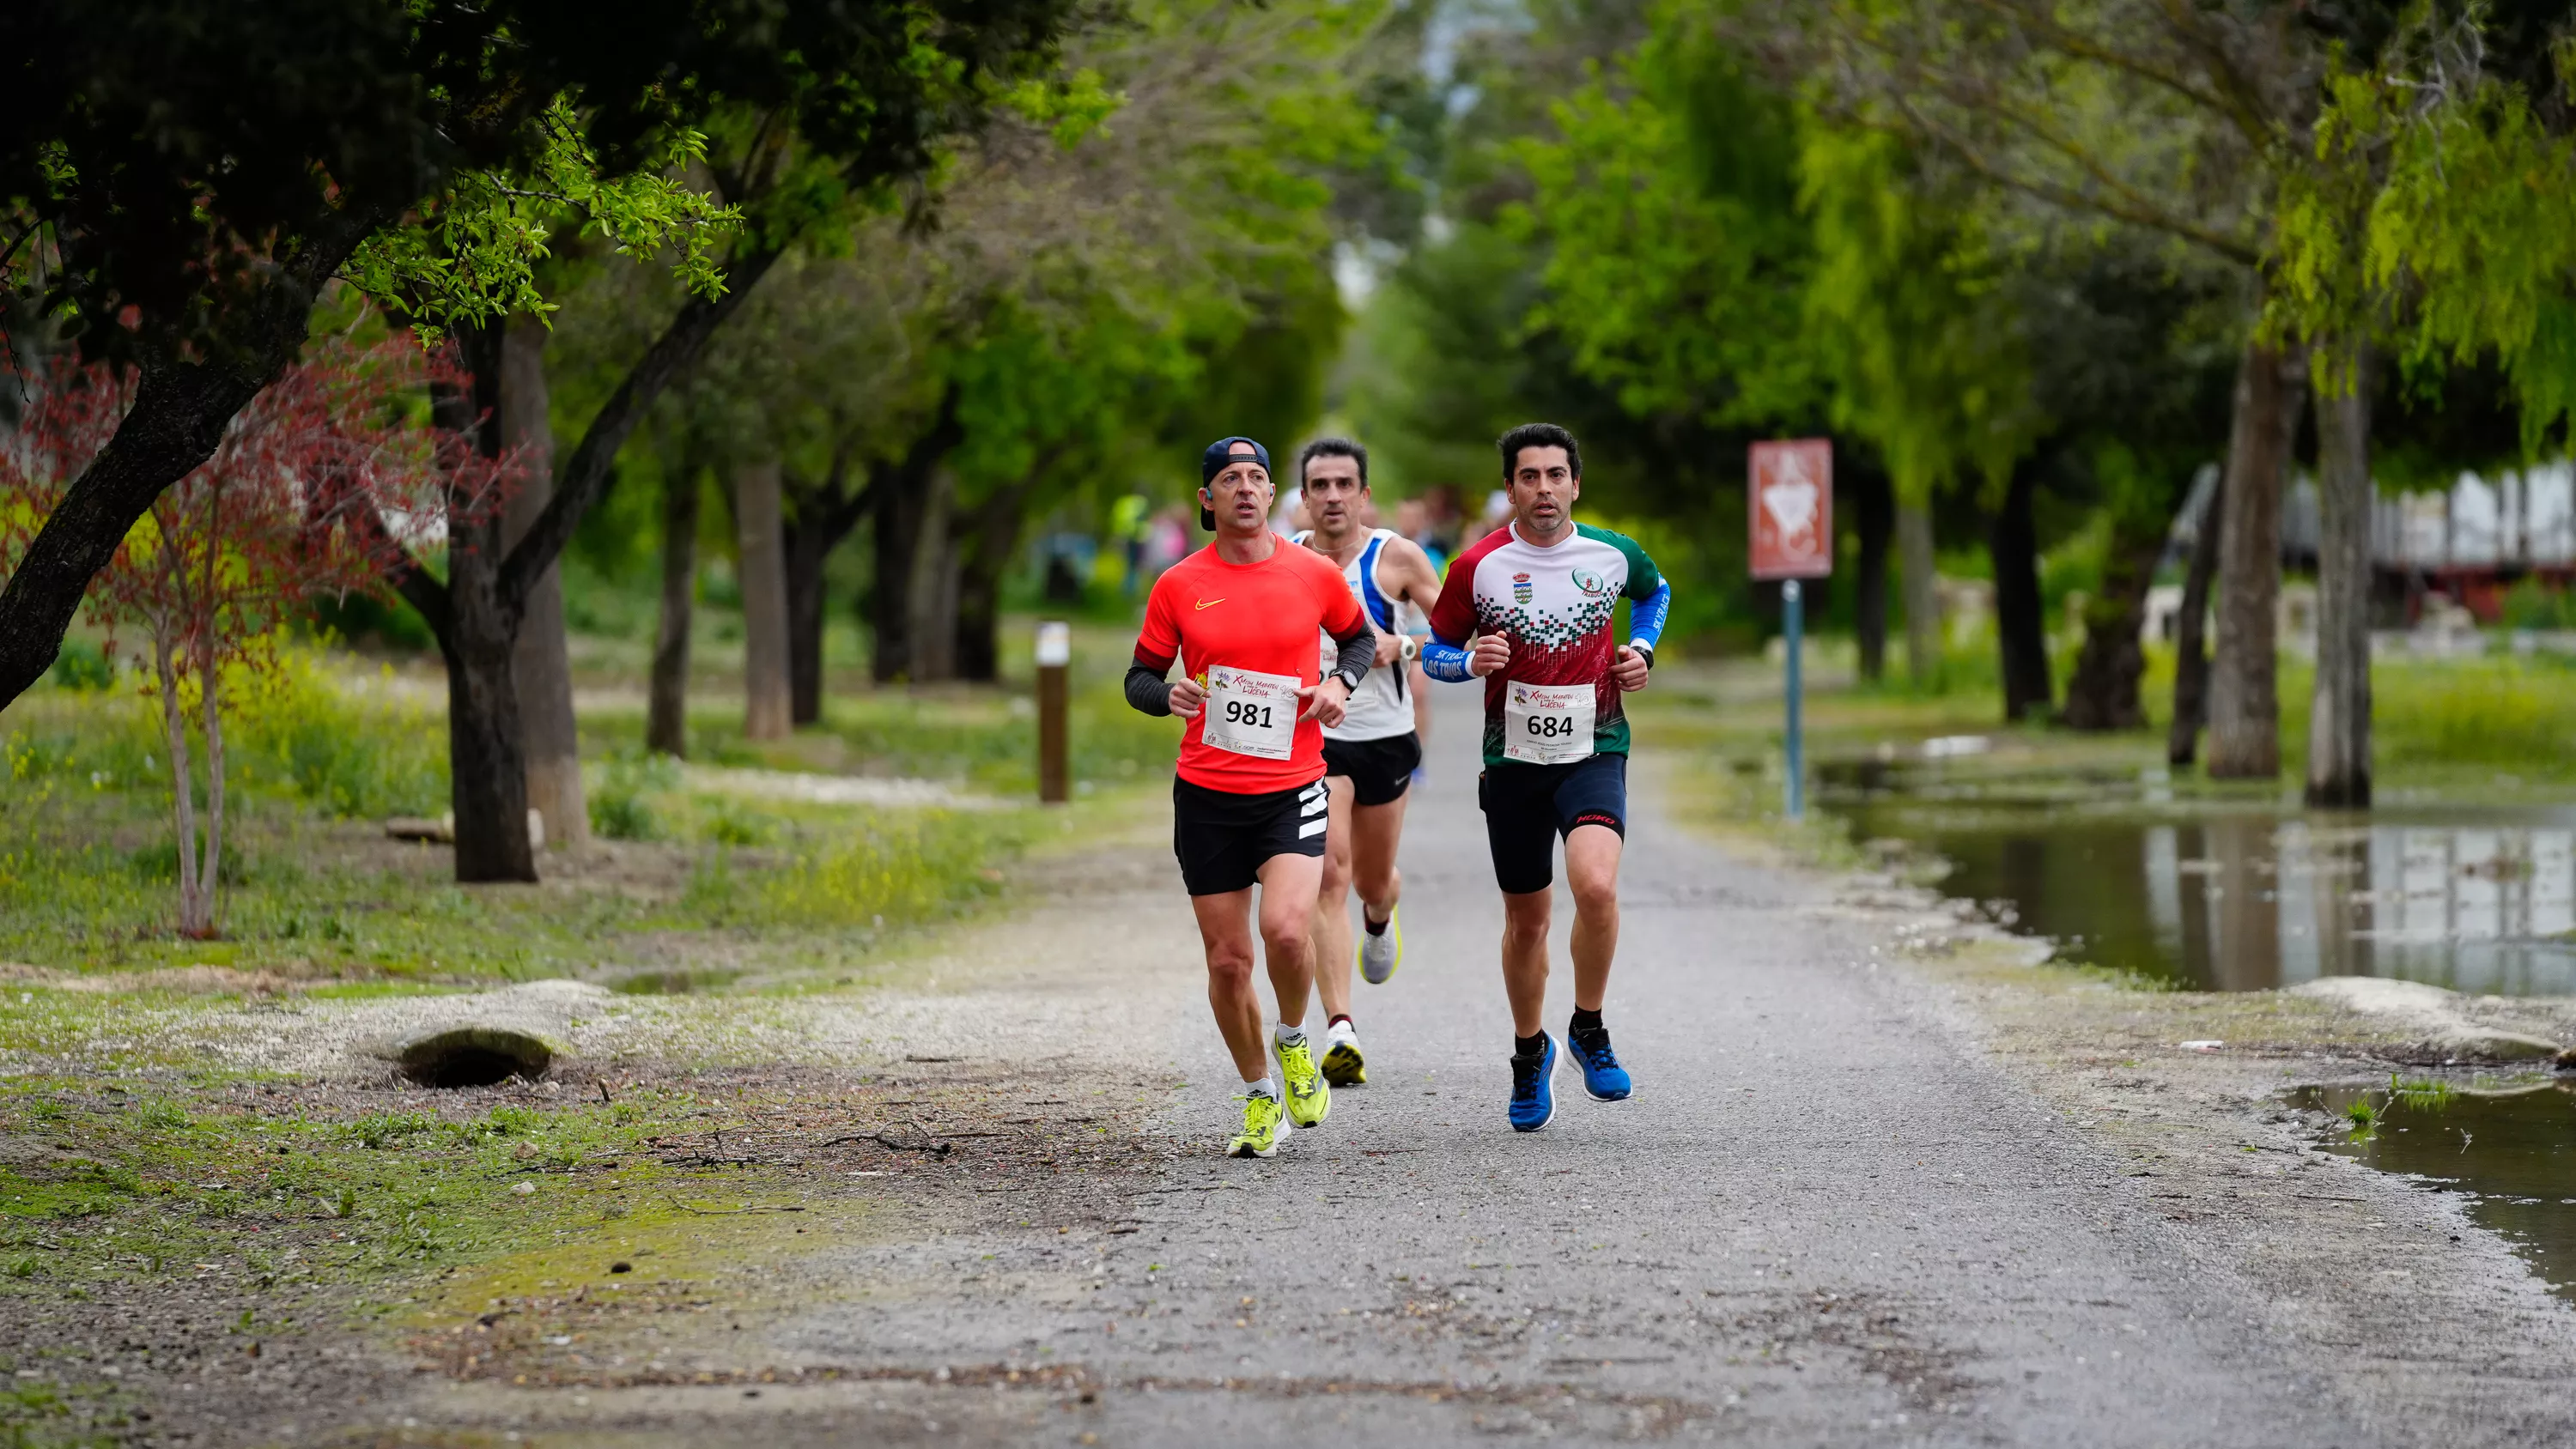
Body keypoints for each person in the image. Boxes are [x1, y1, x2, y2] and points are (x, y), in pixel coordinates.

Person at [1127, 437, 1379, 1158]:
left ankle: (1295, 1039)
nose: (1245, 488)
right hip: (1206, 793)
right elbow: (1139, 677)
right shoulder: (1179, 583)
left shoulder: (1313, 572)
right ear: (1207, 498)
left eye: (1257, 478)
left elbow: (1358, 641)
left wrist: (1337, 685)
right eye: (1230, 479)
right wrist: (1165, 693)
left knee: (1289, 931)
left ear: (1273, 494)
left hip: (1292, 786)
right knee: (1229, 961)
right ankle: (1259, 1093)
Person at [1421, 423, 1671, 1132]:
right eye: (1528, 477)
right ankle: (1531, 1053)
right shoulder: (1478, 567)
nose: (1544, 490)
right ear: (1509, 489)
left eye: (1555, 475)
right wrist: (1469, 663)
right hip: (1514, 761)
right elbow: (1436, 651)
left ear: (1575, 484)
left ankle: (1589, 1027)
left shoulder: (1613, 554)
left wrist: (1642, 651)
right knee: (1527, 922)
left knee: (1595, 885)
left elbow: (1656, 595)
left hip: (1596, 747)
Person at [1290, 439, 1444, 1088]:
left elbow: (1456, 633)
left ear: (1364, 494)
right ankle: (1341, 1028)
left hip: (1384, 734)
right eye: (1319, 485)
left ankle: (1381, 915)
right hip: (1311, 740)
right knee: (1328, 873)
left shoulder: (1396, 558)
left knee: (1370, 881)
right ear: (1302, 497)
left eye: (1343, 484)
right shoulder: (1285, 560)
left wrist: (1400, 643)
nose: (1331, 497)